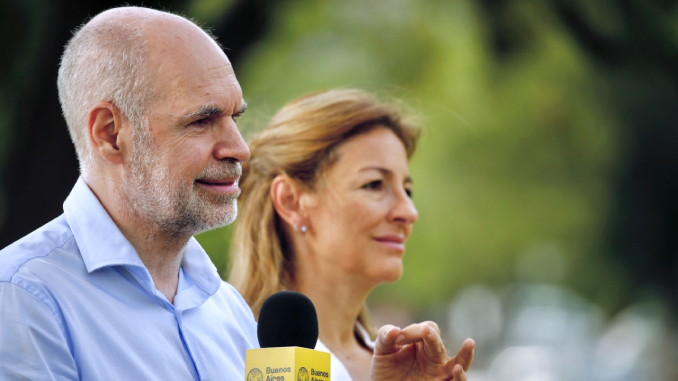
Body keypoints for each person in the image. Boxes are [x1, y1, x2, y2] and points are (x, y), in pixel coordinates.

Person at [0, 6, 471, 380]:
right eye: (202, 120)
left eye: (235, 118)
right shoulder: (21, 300)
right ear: (110, 134)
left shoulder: (229, 314)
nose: (239, 148)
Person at [229, 89, 475, 380]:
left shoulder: (402, 367)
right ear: (291, 201)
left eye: (407, 190)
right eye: (374, 184)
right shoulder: (229, 350)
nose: (408, 212)